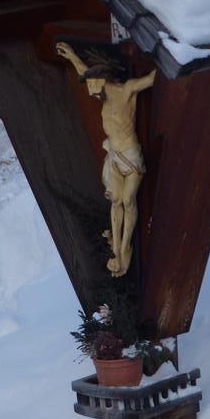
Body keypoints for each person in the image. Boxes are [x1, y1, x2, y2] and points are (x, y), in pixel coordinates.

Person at [55, 42, 155, 277]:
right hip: (114, 157)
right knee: (116, 200)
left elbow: (151, 79)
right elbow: (84, 73)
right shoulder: (102, 96)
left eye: (92, 83)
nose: (89, 88)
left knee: (129, 200)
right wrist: (72, 55)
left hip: (130, 156)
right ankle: (117, 251)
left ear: (103, 80)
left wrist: (167, 51)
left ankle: (125, 247)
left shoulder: (126, 89)